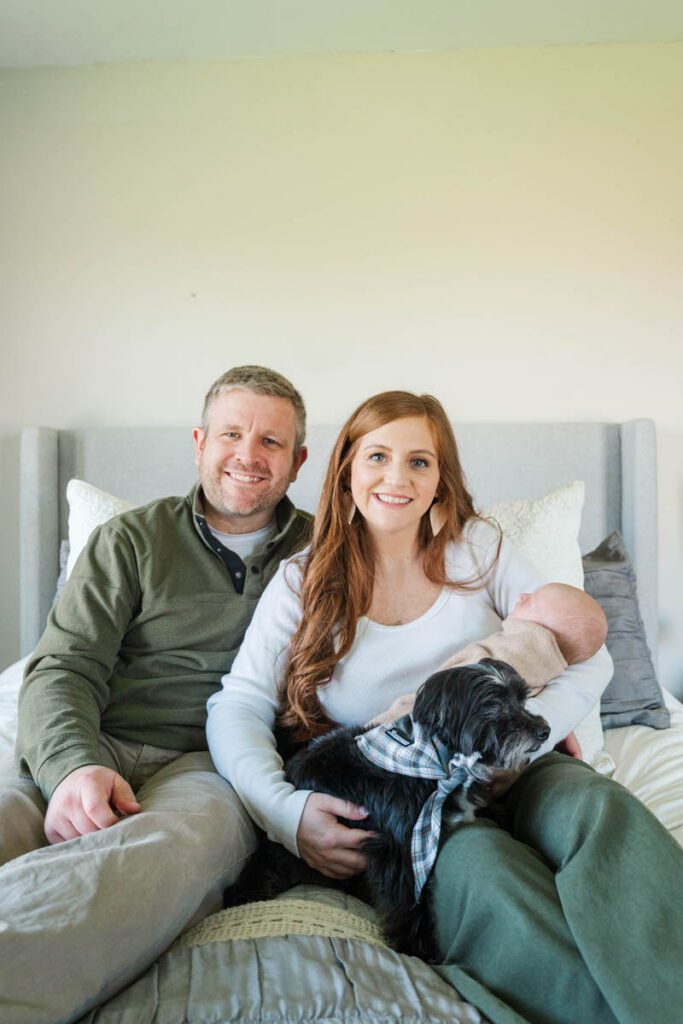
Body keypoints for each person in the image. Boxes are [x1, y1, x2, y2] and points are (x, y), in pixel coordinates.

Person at [207, 390, 683, 1024]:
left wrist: (528, 741)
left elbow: (587, 651)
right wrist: (283, 812)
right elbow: (237, 702)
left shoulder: (478, 549)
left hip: (519, 764)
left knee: (600, 810)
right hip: (407, 795)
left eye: (420, 462)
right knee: (484, 870)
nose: (397, 477)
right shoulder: (304, 579)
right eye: (377, 456)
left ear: (440, 480)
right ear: (347, 470)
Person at [0, 366, 312, 1024]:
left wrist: (541, 710)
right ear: (199, 442)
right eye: (231, 433)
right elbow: (63, 666)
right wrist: (71, 768)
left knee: (177, 850)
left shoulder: (329, 550)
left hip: (212, 762)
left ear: (298, 460)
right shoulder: (131, 539)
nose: (248, 455)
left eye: (271, 442)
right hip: (96, 737)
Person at [372, 581, 608, 727]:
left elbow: (455, 690)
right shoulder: (548, 667)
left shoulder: (517, 653)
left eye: (533, 601)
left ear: (545, 630)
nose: (522, 596)